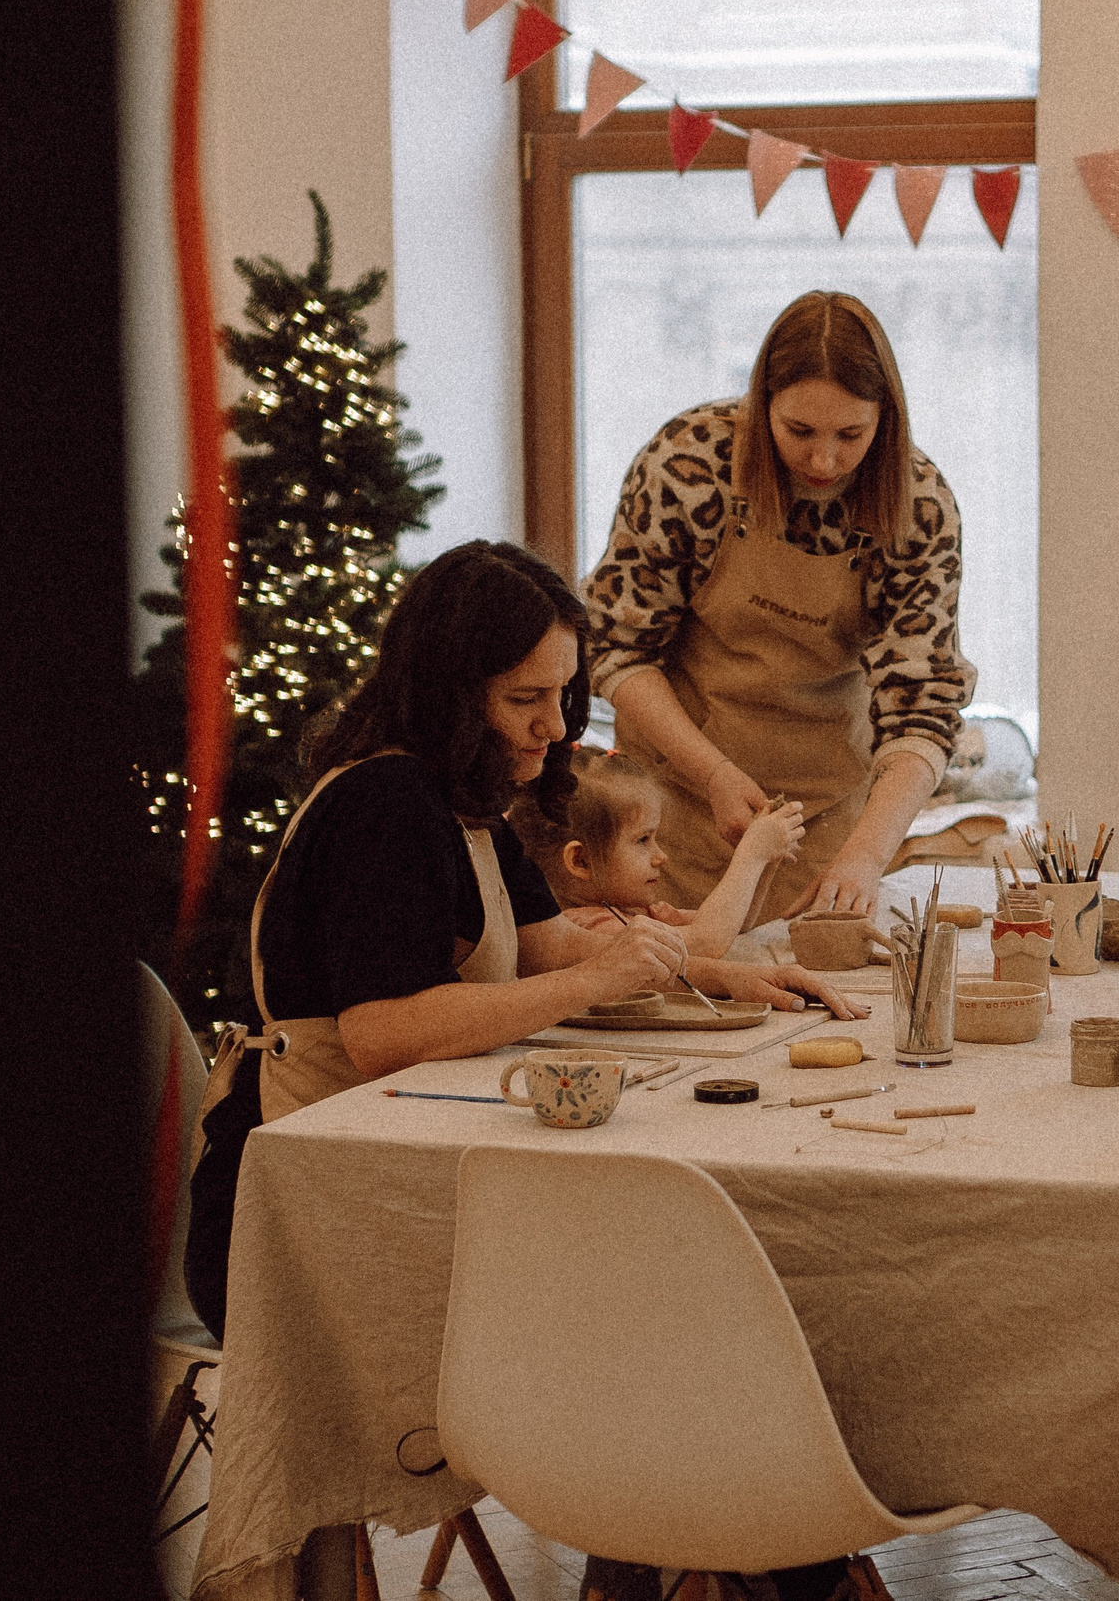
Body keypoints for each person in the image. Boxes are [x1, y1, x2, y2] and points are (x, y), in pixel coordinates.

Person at [185, 542, 860, 1340]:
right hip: (286, 1206)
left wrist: (721, 978)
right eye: (525, 698)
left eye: (566, 691)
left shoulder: (460, 798)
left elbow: (552, 947)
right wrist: (596, 983)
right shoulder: (385, 804)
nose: (554, 722)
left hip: (373, 1158)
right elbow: (380, 1032)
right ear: (451, 694)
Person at [586, 290, 976, 927]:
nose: (823, 460)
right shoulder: (690, 465)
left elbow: (924, 707)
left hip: (821, 818)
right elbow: (617, 649)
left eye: (851, 434)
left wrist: (866, 855)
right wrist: (711, 773)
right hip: (674, 809)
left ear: (887, 420)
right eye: (799, 431)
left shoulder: (916, 506)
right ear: (761, 404)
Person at [508, 745, 809, 958]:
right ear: (580, 860)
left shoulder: (633, 911)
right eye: (643, 840)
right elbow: (707, 942)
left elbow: (734, 927)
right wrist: (752, 854)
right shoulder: (585, 927)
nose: (660, 856)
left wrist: (768, 858)